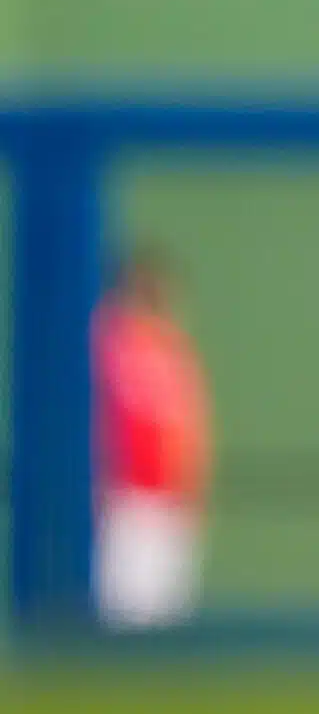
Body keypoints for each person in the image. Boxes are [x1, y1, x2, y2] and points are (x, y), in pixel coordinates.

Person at [93, 248, 212, 630]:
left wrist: (194, 493)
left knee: (165, 619)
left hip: (170, 502)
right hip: (123, 501)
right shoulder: (107, 340)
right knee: (122, 614)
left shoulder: (174, 349)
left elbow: (192, 430)